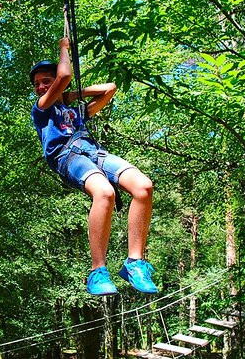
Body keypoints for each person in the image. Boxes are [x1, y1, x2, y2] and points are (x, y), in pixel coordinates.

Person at [30, 37, 158, 296]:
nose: (42, 87)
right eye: (38, 84)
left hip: (92, 151)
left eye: (47, 81)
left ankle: (135, 263)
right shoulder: (41, 109)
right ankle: (97, 271)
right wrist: (63, 49)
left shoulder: (75, 112)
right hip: (66, 157)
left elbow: (109, 89)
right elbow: (64, 75)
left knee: (143, 187)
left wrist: (69, 96)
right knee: (104, 193)